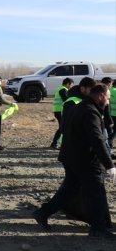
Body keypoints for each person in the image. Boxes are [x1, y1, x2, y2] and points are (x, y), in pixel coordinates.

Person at [34, 84, 116, 238]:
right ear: (100, 96)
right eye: (108, 98)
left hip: (70, 157)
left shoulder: (80, 107)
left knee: (69, 189)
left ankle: (43, 212)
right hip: (85, 160)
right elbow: (97, 139)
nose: (108, 101)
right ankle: (98, 228)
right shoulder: (90, 112)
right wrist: (109, 165)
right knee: (96, 192)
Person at [50, 78, 74, 149]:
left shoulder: (60, 88)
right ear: (67, 84)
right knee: (62, 127)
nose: (72, 86)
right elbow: (66, 99)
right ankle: (55, 143)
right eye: (71, 84)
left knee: (62, 127)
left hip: (58, 110)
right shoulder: (63, 89)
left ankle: (56, 143)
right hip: (60, 111)